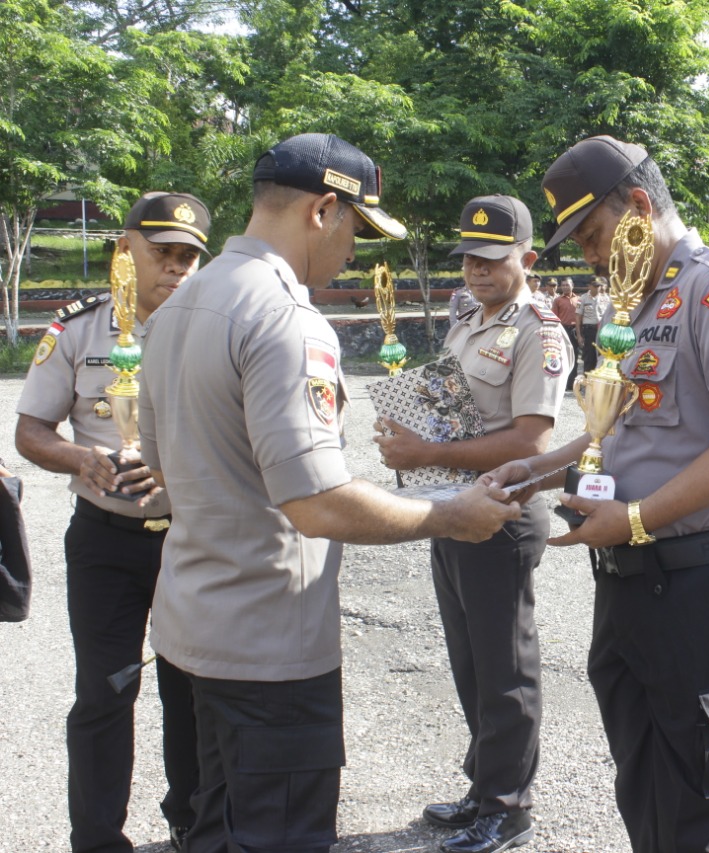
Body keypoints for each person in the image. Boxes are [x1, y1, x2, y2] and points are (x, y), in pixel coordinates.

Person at [136, 133, 519, 853]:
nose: (355, 254)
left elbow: (161, 465)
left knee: (214, 831)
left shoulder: (182, 305)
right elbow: (314, 502)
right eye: (356, 231)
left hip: (193, 632)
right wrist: (449, 514)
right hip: (268, 651)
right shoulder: (285, 317)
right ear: (322, 210)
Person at [486, 134, 709, 852]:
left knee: (700, 806)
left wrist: (631, 518)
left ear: (636, 205)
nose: (590, 256)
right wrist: (529, 472)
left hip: (699, 583)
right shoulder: (633, 303)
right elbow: (614, 436)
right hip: (631, 582)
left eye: (593, 235)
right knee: (647, 793)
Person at [374, 195, 569, 853]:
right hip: (452, 507)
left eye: (493, 259)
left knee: (504, 666)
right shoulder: (469, 316)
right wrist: (408, 430)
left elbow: (531, 443)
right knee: (470, 662)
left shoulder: (538, 331)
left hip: (501, 515)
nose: (477, 271)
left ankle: (509, 806)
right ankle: (484, 785)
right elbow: (454, 410)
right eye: (469, 259)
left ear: (527, 258)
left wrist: (426, 451)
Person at [15, 191, 209, 853]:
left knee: (192, 686)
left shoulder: (216, 329)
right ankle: (97, 838)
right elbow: (30, 430)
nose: (177, 267)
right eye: (164, 252)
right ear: (125, 249)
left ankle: (194, 820)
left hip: (189, 537)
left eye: (189, 256)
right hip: (105, 538)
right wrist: (78, 456)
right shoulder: (79, 328)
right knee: (103, 691)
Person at [551, 275, 581, 389]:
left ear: (572, 286)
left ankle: (572, 383)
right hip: (562, 330)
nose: (565, 287)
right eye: (563, 285)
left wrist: (579, 334)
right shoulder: (557, 300)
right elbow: (554, 317)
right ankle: (562, 382)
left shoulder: (579, 299)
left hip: (575, 330)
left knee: (574, 356)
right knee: (562, 356)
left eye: (567, 285)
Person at [575, 275, 608, 374]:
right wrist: (579, 335)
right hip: (589, 330)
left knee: (602, 356)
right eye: (594, 286)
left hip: (603, 331)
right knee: (589, 358)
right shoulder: (582, 298)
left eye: (598, 286)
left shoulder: (606, 298)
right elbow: (578, 318)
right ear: (589, 286)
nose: (597, 288)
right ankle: (587, 383)